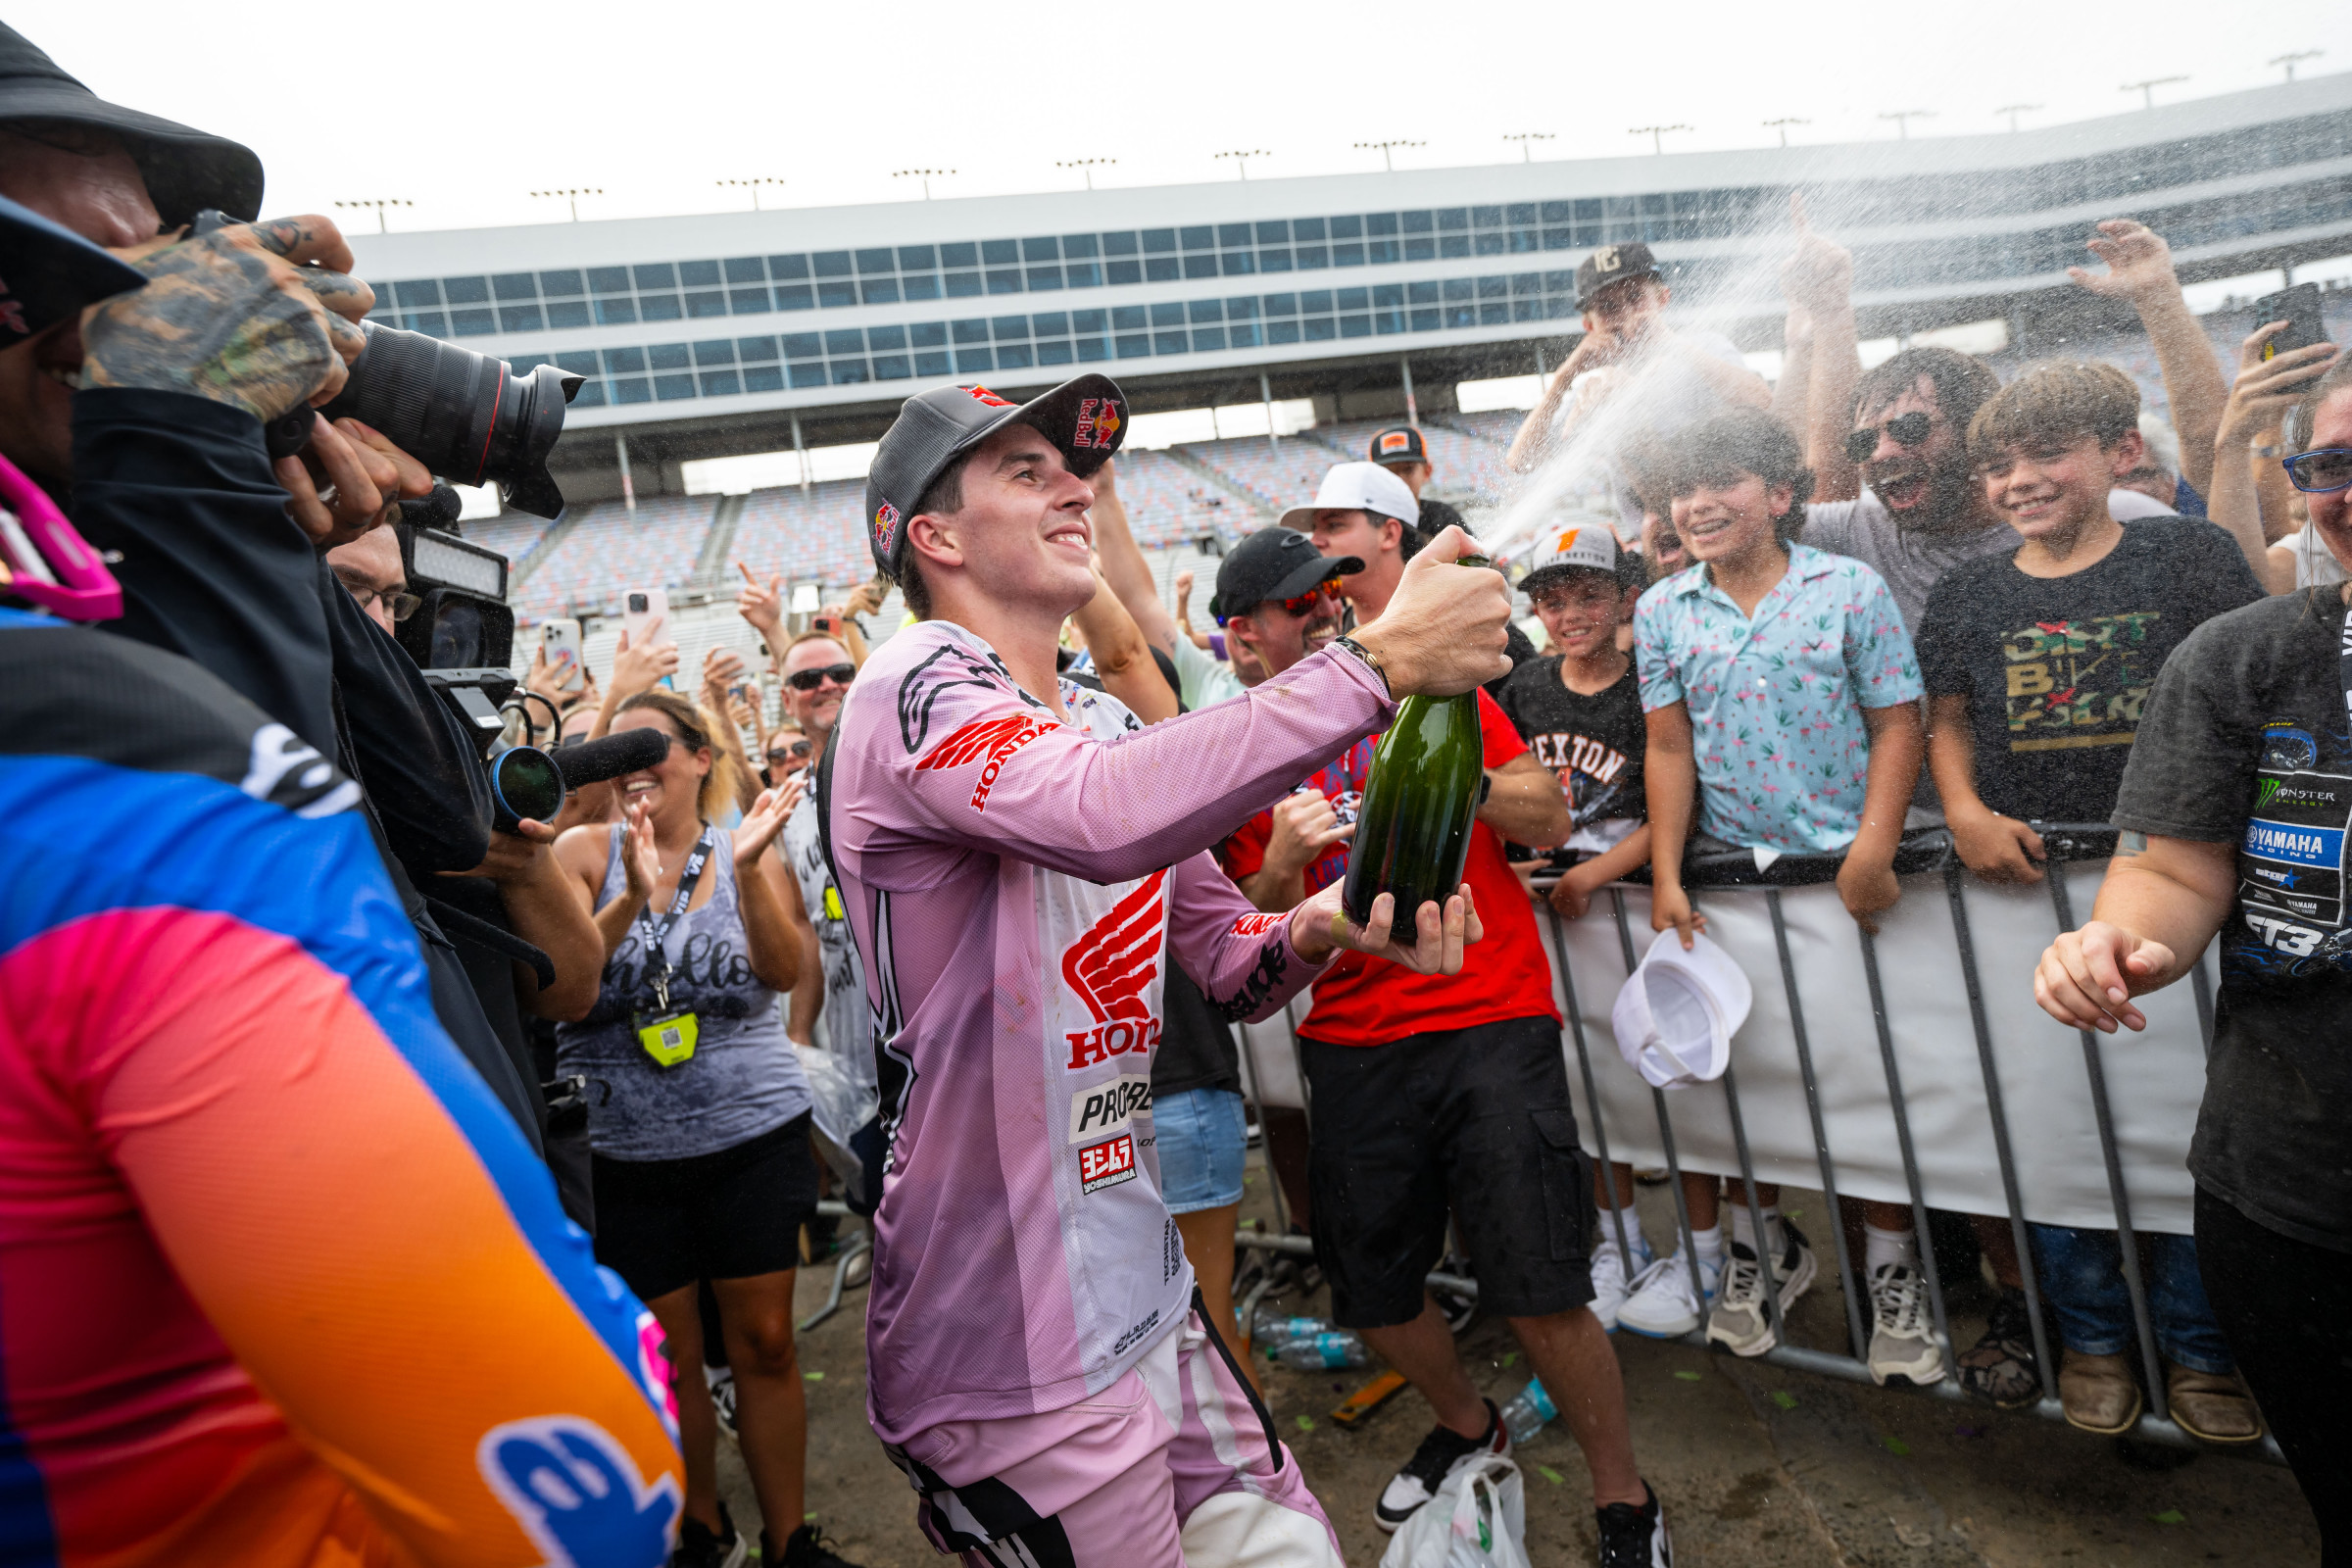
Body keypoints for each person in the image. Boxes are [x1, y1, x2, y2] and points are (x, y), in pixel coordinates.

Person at [0, 187, 684, 1568]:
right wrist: (193, 479)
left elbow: (505, 897)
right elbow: (594, 1493)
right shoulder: (99, 768)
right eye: (122, 276)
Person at [828, 374, 1510, 1568]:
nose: (1075, 490)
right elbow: (1097, 819)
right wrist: (1378, 662)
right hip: (1007, 1349)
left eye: (1075, 469)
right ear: (931, 536)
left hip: (1148, 1299)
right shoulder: (914, 679)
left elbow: (1226, 962)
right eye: (1026, 473)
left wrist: (1334, 922)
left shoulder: (1100, 720)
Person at [1279, 465, 1668, 1562]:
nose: (1316, 609)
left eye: (1332, 571)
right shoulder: (1273, 726)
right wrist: (1285, 857)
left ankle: (1624, 1499)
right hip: (1347, 1037)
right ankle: (1467, 1421)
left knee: (1540, 1285)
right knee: (1372, 1292)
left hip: (1486, 1012)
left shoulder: (1451, 689)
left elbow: (1546, 810)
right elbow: (1252, 904)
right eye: (1299, 593)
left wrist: (1435, 764)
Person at [2034, 360, 2352, 1552]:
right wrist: (2122, 940)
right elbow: (2178, 866)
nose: (2345, 492)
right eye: (2328, 466)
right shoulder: (2241, 658)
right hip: (2290, 1184)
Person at [1915, 360, 2266, 1430]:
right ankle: (2096, 1341)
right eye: (1998, 464)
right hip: (2024, 898)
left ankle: (2205, 1352)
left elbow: (2253, 692)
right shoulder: (1968, 590)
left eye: (2046, 454)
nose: (2019, 480)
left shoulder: (2193, 555)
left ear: (2119, 452)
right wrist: (1965, 812)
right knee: (2056, 1127)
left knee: (2190, 1127)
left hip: (2186, 895)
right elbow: (1948, 719)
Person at [1630, 409, 1935, 1386]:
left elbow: (1899, 722)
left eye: (1721, 479)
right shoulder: (1664, 609)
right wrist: (1671, 873)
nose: (1698, 503)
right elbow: (1669, 746)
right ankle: (1767, 1253)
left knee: (1871, 1088)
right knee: (1751, 1087)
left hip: (1857, 890)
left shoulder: (1850, 586)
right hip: (1734, 890)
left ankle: (1893, 1277)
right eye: (1683, 489)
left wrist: (1874, 849)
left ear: (1781, 494)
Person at [552, 693, 847, 1568]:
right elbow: (561, 991)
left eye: (657, 746)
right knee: (670, 1359)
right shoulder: (577, 853)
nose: (638, 764)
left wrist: (750, 872)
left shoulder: (740, 846)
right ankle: (699, 1532)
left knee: (764, 1343)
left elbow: (783, 970)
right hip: (626, 1153)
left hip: (750, 1137)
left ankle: (792, 1541)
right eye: (620, 749)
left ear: (700, 758)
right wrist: (628, 901)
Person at [1492, 524, 1665, 1334]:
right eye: (1552, 601)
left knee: (1655, 1084)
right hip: (1554, 917)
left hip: (1624, 905)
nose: (1570, 614)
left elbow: (1670, 811)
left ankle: (1700, 1250)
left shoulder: (1646, 683)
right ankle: (1618, 1240)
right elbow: (1508, 799)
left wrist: (1594, 874)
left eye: (1589, 594)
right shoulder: (1526, 686)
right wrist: (1515, 865)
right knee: (1587, 1088)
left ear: (1625, 598)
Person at [1503, 239, 1771, 533]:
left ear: (1663, 298)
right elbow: (1522, 462)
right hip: (1658, 544)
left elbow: (1761, 401)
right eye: (1607, 307)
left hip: (1723, 524)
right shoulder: (1596, 388)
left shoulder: (1701, 348)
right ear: (1589, 326)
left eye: (1636, 298)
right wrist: (1562, 379)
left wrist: (1671, 343)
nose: (1626, 315)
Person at [1289, 460, 1540, 696]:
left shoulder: (1483, 634)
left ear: (1389, 534)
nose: (1315, 541)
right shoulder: (1326, 637)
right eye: (1316, 528)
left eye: (1334, 525)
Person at [1366, 423, 1469, 539]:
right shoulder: (1364, 524)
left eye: (1408, 469)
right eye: (1388, 472)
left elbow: (1476, 555)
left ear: (1427, 471)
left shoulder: (1443, 516)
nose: (1398, 480)